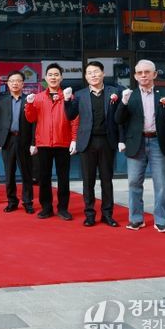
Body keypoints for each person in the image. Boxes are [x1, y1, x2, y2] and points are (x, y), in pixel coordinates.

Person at [115, 60, 165, 232]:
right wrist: (123, 103)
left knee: (161, 184)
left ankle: (161, 220)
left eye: (147, 72)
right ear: (135, 76)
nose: (143, 75)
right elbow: (118, 119)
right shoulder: (129, 95)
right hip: (136, 142)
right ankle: (136, 219)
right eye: (139, 72)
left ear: (155, 74)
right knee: (134, 182)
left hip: (158, 142)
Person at [64, 61, 123, 227]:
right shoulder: (80, 94)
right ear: (85, 76)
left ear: (103, 73)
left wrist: (121, 139)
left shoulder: (114, 92)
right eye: (89, 73)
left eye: (96, 72)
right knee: (88, 181)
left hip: (107, 141)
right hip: (87, 142)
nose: (93, 75)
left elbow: (120, 119)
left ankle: (107, 214)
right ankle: (89, 214)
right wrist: (67, 100)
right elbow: (70, 115)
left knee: (106, 180)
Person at [24, 63, 79, 221]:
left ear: (61, 77)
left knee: (63, 178)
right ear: (45, 78)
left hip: (63, 142)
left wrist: (74, 139)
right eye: (50, 75)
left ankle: (63, 209)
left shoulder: (68, 97)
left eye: (56, 74)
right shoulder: (38, 97)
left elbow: (74, 120)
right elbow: (31, 119)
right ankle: (46, 208)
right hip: (44, 143)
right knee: (44, 177)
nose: (53, 77)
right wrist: (29, 105)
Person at [0, 71, 36, 214]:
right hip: (8, 140)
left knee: (26, 173)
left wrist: (33, 142)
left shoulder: (30, 100)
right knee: (9, 174)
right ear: (8, 83)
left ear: (23, 84)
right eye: (12, 81)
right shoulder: (3, 102)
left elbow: (34, 123)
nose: (15, 83)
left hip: (24, 140)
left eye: (18, 81)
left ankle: (28, 202)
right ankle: (12, 201)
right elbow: (0, 123)